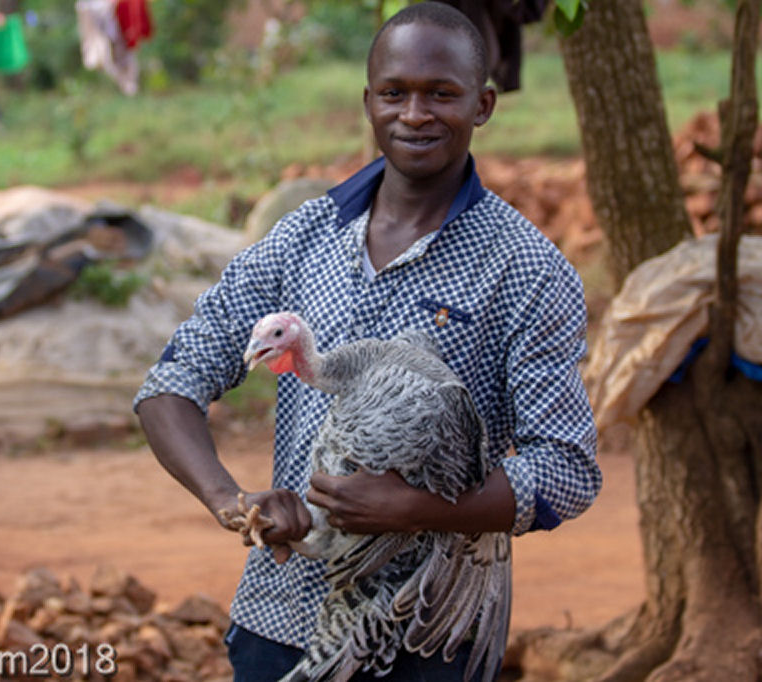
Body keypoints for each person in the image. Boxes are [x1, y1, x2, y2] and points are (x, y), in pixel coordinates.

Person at [134, 3, 602, 680]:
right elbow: (169, 385)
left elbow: (566, 468)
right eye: (394, 93)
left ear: (484, 104)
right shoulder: (300, 239)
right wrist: (235, 503)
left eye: (441, 93)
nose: (415, 113)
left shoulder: (526, 270)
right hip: (280, 619)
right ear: (368, 101)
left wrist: (420, 509)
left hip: (427, 635)